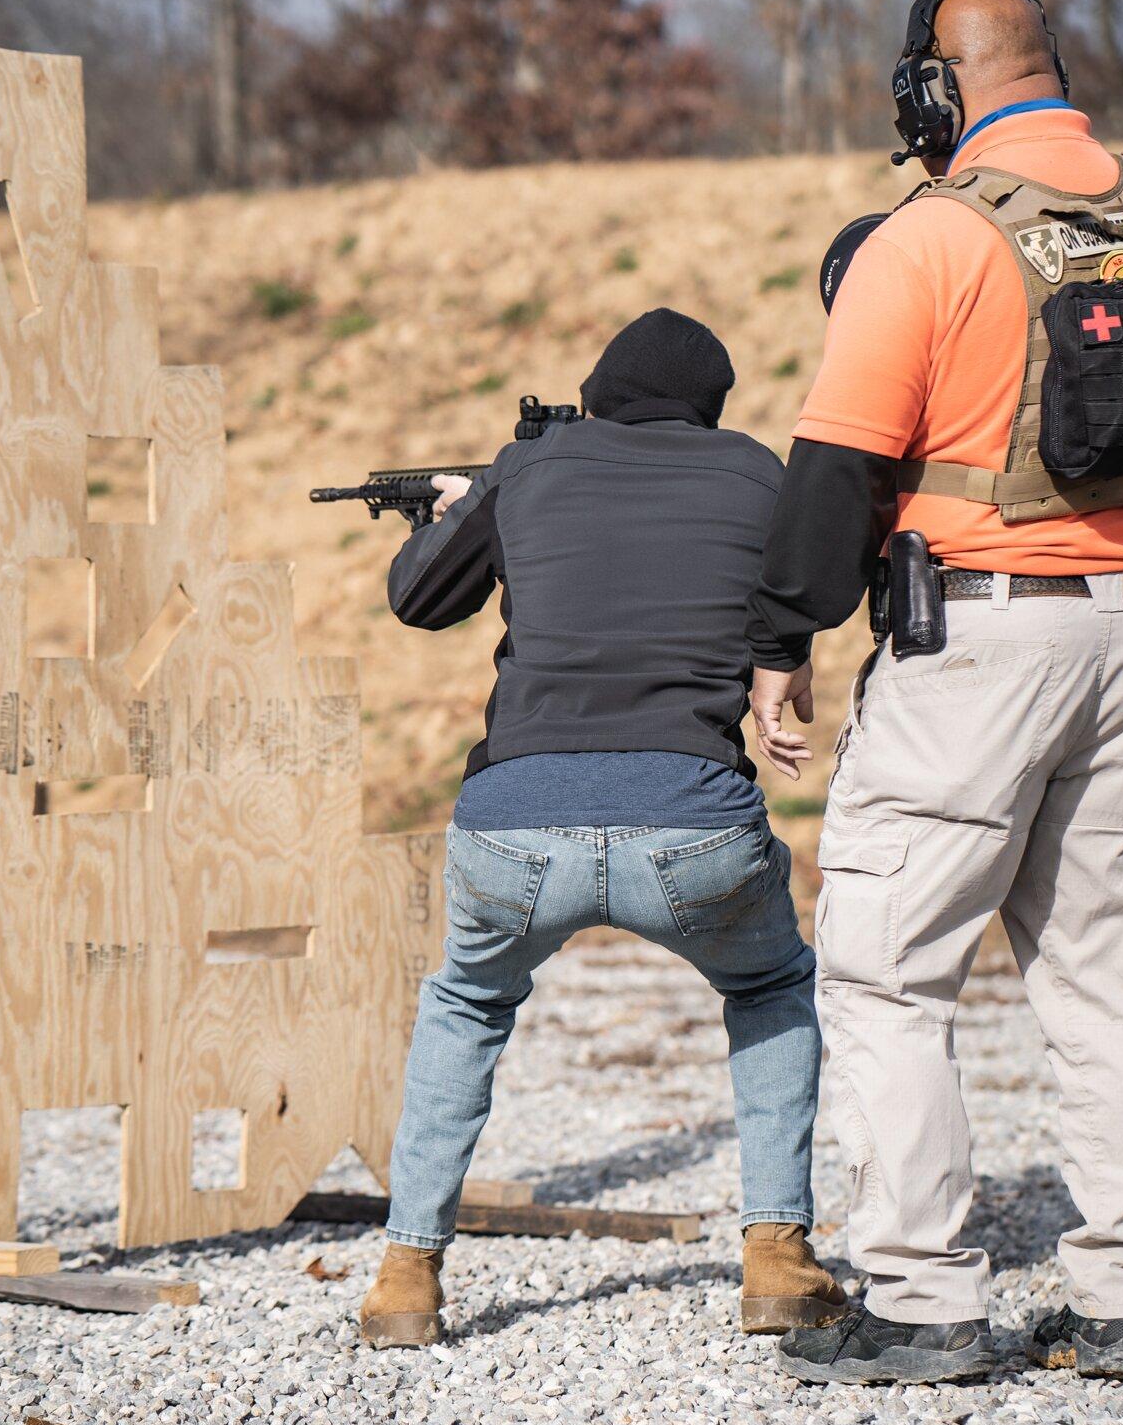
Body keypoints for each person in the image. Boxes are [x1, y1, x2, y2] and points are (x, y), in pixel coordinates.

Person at [747, 0, 1123, 1388]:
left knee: (889, 972)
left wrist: (782, 644)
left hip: (979, 637)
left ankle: (923, 1297)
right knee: (1113, 974)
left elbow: (840, 467)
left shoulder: (927, 241)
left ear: (936, 92)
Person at [357, 308, 847, 1347]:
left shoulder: (527, 470)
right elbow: (794, 595)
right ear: (710, 406)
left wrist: (456, 512)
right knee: (766, 984)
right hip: (693, 827)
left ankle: (406, 1273)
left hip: (514, 826)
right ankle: (774, 1257)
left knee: (466, 1004)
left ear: (597, 391)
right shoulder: (756, 473)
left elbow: (418, 602)